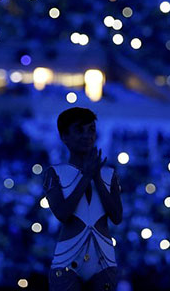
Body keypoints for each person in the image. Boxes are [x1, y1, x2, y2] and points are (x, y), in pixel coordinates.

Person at [43, 107, 123, 291]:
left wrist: (97, 177)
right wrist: (87, 176)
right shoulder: (54, 173)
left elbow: (117, 217)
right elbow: (63, 214)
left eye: (91, 130)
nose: (87, 136)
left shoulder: (109, 174)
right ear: (64, 136)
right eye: (79, 130)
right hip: (67, 259)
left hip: (104, 259)